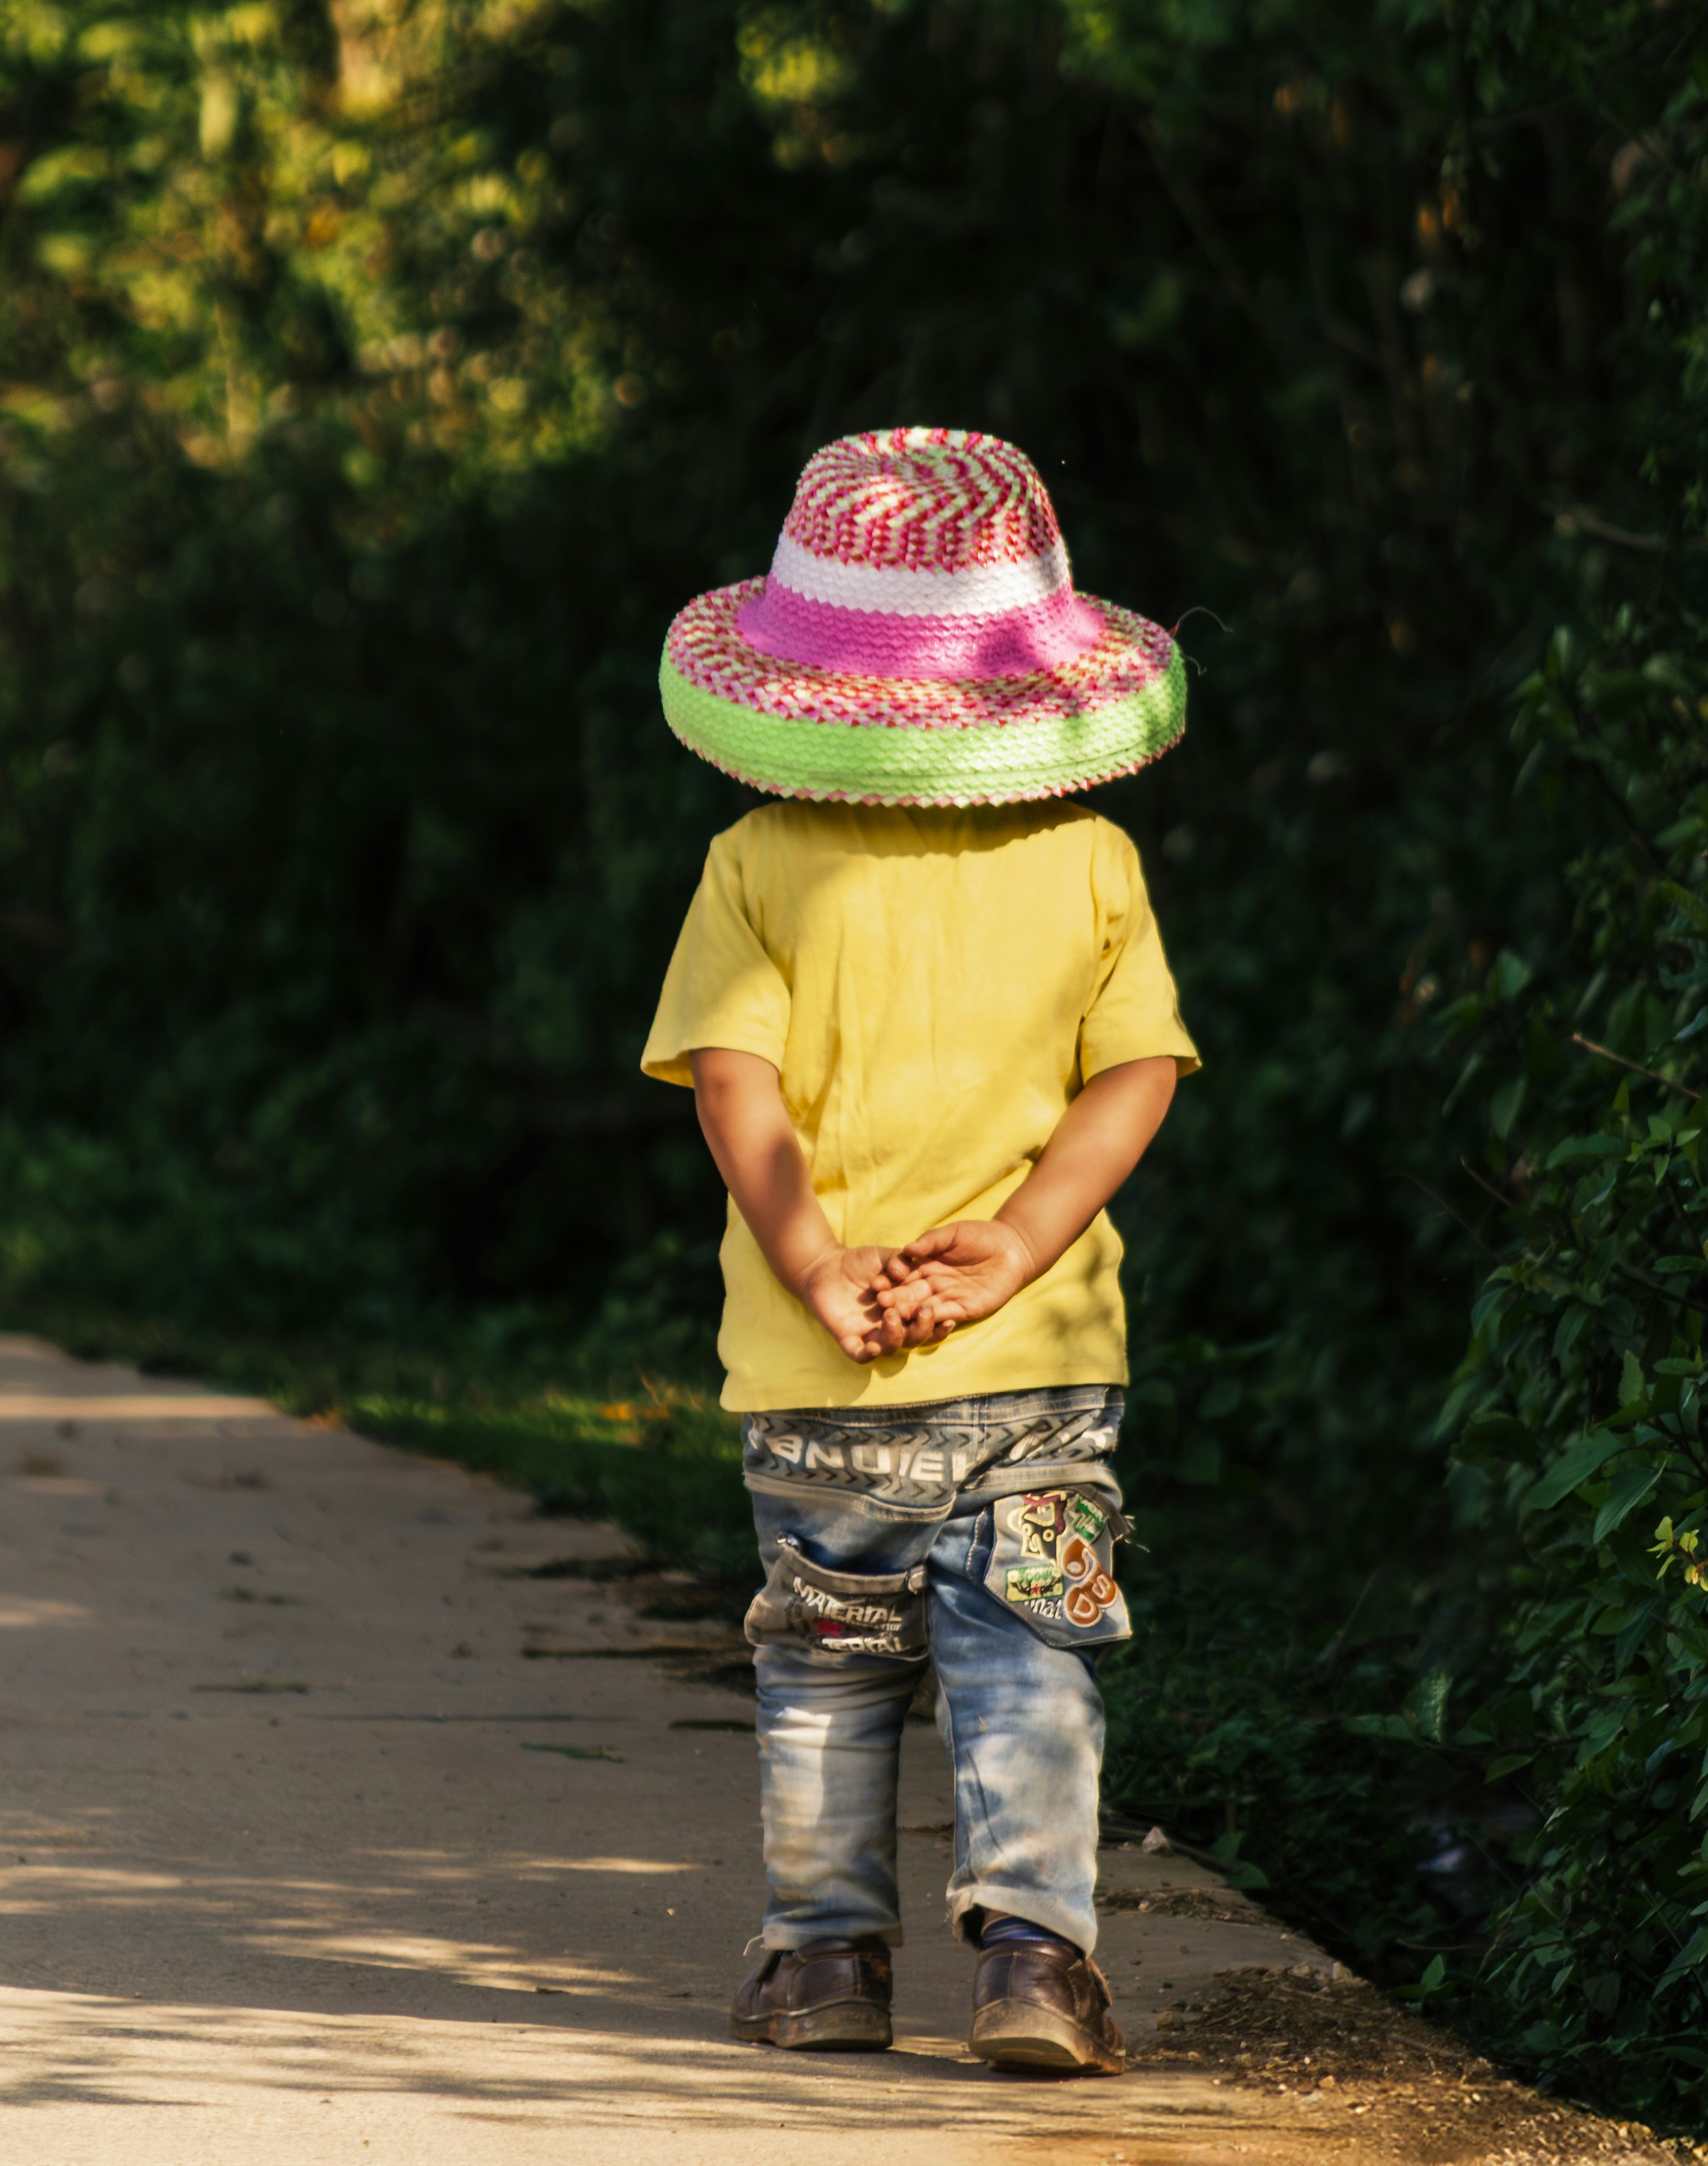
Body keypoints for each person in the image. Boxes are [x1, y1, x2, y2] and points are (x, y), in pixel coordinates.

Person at [638, 426, 1196, 2075]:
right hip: (1036, 1369)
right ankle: (1036, 1960)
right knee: (1032, 1654)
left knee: (827, 1669)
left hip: (829, 1374)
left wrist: (819, 1262)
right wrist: (1020, 1242)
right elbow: (1138, 1071)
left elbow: (732, 1084)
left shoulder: (754, 865)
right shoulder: (1092, 862)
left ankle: (824, 1966)